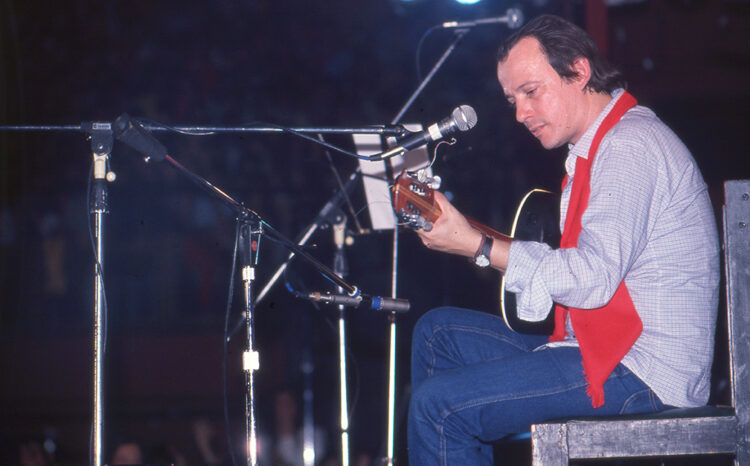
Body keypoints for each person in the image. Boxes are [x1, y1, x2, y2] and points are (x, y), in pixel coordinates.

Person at [407, 14, 719, 465]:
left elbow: (591, 278)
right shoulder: (600, 146)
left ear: (578, 71)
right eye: (512, 99)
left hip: (643, 370)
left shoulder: (630, 146)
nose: (520, 113)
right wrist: (474, 240)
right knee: (438, 333)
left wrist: (477, 246)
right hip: (602, 346)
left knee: (440, 407)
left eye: (530, 92)